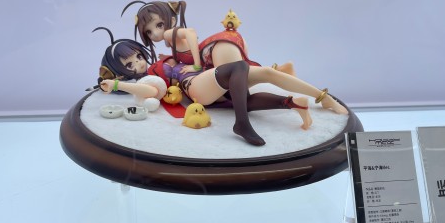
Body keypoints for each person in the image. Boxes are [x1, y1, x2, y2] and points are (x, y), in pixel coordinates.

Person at [121, 0, 347, 114]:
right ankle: (315, 93)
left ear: (170, 21)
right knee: (263, 75)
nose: (156, 34)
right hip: (215, 54)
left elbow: (190, 34)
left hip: (212, 56)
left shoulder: (170, 34)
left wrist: (197, 65)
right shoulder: (168, 45)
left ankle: (314, 97)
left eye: (159, 25)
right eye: (149, 31)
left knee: (242, 91)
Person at [95, 28, 312, 146]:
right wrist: (117, 84)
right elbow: (151, 91)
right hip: (195, 87)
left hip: (209, 80)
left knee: (246, 87)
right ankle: (242, 123)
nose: (139, 63)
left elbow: (188, 38)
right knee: (238, 67)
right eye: (130, 65)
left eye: (138, 56)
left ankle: (292, 103)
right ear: (124, 72)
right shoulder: (151, 74)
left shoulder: (164, 58)